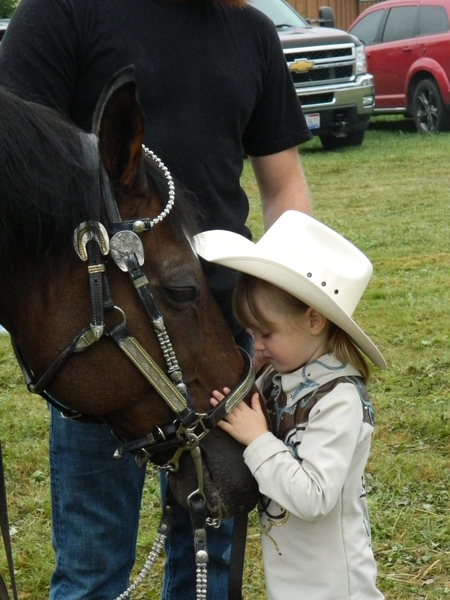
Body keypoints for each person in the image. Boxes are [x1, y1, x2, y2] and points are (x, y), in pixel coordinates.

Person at [0, 1, 312, 598]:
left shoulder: (249, 31)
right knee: (93, 565)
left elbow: (284, 185)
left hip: (220, 334)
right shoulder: (65, 13)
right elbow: (16, 167)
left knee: (209, 566)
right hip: (107, 338)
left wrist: (279, 307)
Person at [195, 210, 386, 600]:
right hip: (292, 581)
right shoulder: (279, 378)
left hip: (334, 589)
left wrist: (258, 439)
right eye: (251, 333)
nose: (257, 345)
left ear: (314, 320)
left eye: (266, 333)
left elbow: (314, 497)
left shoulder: (339, 400)